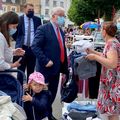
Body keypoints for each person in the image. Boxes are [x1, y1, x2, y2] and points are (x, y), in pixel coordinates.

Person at [31, 7, 68, 120]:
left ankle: (48, 114)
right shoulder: (43, 29)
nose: (63, 18)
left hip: (56, 70)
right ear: (53, 16)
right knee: (43, 96)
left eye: (64, 16)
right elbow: (35, 46)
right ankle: (43, 116)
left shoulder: (60, 31)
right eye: (61, 16)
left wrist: (65, 69)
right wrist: (45, 60)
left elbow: (61, 49)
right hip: (45, 70)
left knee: (51, 95)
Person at [86, 22, 120, 120]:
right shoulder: (113, 42)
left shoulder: (111, 43)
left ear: (105, 31)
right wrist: (93, 52)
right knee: (113, 111)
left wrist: (94, 57)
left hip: (113, 83)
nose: (100, 32)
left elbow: (112, 63)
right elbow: (106, 56)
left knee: (113, 112)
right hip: (112, 82)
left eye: (101, 30)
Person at [13, 3, 41, 84]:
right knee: (20, 72)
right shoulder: (19, 19)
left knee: (31, 72)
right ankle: (19, 91)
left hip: (32, 49)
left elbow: (39, 34)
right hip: (21, 49)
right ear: (24, 9)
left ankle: (29, 92)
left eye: (32, 10)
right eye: (29, 10)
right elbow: (15, 33)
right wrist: (19, 41)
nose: (31, 12)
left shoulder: (37, 20)